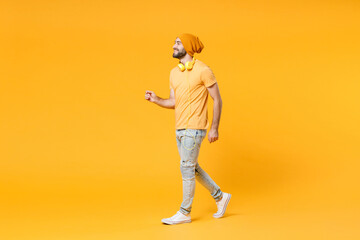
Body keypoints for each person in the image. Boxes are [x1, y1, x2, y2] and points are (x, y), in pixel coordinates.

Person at [145, 33, 231, 225]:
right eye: (174, 42)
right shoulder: (173, 73)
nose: (174, 45)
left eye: (178, 43)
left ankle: (185, 212)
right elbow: (173, 102)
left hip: (195, 127)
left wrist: (214, 128)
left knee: (186, 168)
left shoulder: (203, 70)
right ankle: (220, 196)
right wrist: (156, 99)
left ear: (188, 46)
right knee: (191, 167)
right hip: (179, 128)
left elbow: (217, 99)